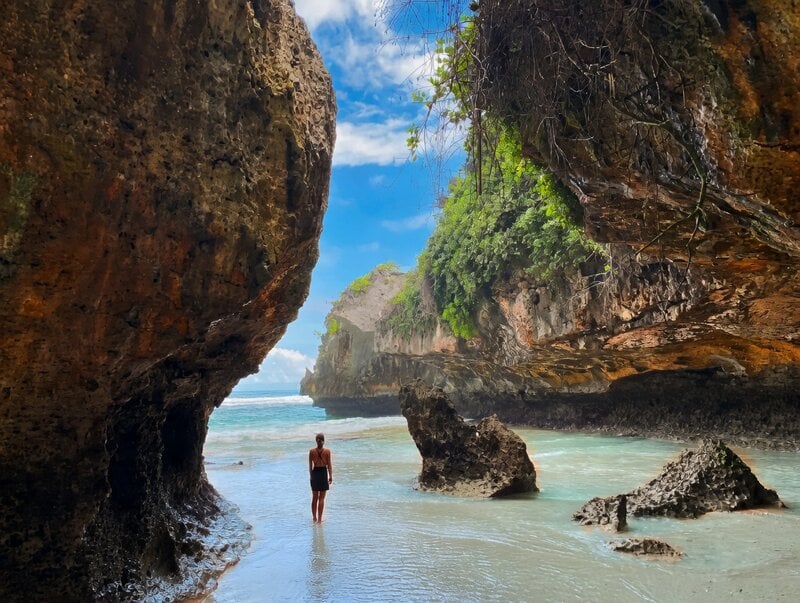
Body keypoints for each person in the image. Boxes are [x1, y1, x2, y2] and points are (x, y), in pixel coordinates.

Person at [309, 432, 332, 523]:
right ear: (323, 441)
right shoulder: (327, 451)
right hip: (323, 473)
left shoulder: (312, 451)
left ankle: (314, 518)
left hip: (315, 473)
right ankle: (319, 520)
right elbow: (329, 465)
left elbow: (310, 466)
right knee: (321, 498)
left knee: (314, 497)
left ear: (316, 441)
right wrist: (330, 476)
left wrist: (311, 477)